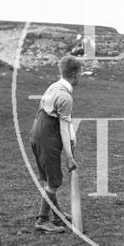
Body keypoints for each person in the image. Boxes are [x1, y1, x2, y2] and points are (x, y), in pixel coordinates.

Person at [30, 55, 81, 233]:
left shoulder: (53, 86)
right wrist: (69, 157)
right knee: (54, 180)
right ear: (76, 74)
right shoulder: (66, 98)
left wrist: (72, 138)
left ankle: (57, 215)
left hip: (36, 133)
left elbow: (62, 121)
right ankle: (43, 220)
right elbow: (63, 128)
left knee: (48, 178)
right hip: (47, 136)